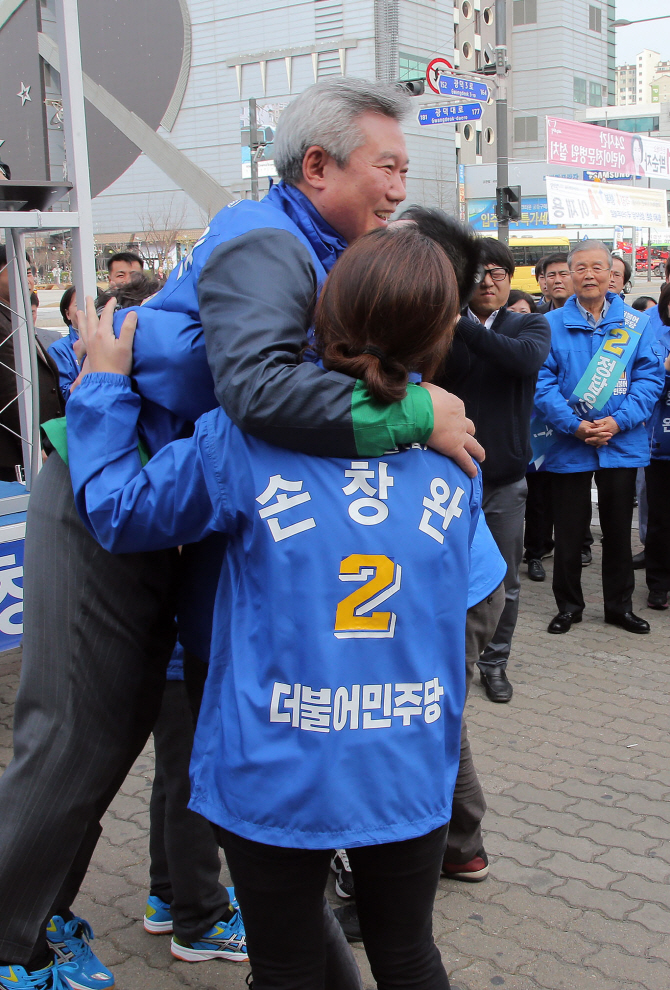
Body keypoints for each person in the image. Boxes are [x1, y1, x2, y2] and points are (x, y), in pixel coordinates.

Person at [0, 77, 482, 990]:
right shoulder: (268, 244)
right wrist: (415, 410)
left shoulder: (323, 258)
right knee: (82, 738)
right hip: (114, 475)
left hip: (184, 498)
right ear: (316, 167)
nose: (398, 189)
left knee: (189, 711)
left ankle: (183, 901)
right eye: (387, 167)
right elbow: (259, 396)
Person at [434, 238, 551, 703]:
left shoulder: (531, 325)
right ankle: (446, 657)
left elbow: (519, 359)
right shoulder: (441, 329)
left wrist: (459, 322)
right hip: (445, 475)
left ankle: (495, 661)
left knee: (503, 578)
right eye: (478, 273)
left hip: (502, 478)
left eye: (498, 273)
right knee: (442, 570)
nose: (488, 281)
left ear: (510, 280)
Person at [535, 240, 664, 635]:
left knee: (617, 531)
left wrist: (618, 422)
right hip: (568, 443)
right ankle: (569, 606)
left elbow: (649, 379)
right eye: (579, 268)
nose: (588, 275)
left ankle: (619, 607)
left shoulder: (634, 324)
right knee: (570, 531)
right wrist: (573, 425)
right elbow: (541, 383)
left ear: (612, 274)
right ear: (568, 275)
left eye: (597, 268)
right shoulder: (549, 325)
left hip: (621, 444)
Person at [0, 246, 63, 482]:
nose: (29, 279)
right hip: (18, 458)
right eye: (19, 271)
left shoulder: (16, 316)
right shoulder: (3, 322)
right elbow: (10, 391)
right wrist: (35, 446)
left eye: (29, 272)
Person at [644, 281, 670, 609]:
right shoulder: (654, 336)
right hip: (660, 444)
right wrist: (665, 369)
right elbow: (643, 387)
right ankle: (658, 584)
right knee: (661, 519)